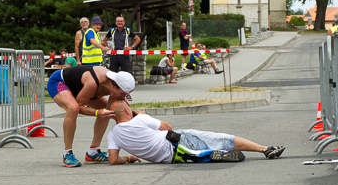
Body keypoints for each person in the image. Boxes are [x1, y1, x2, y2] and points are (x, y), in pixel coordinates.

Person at [106, 101, 285, 164]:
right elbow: (167, 126)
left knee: (201, 150)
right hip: (175, 140)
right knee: (221, 139)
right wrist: (145, 115)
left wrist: (129, 158)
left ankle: (207, 156)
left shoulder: (113, 134)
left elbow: (113, 160)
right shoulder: (140, 119)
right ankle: (264, 149)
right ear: (128, 111)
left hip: (167, 158)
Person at [46, 65, 136, 167]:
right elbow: (79, 106)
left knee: (108, 111)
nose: (123, 98)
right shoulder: (93, 83)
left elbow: (109, 107)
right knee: (73, 109)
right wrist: (97, 113)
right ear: (114, 85)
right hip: (59, 82)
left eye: (126, 95)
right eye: (122, 94)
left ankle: (93, 152)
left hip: (81, 88)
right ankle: (67, 154)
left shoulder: (116, 83)